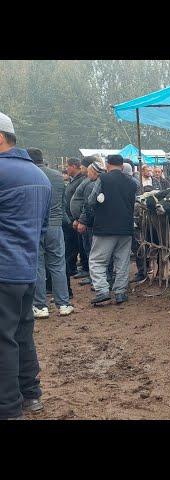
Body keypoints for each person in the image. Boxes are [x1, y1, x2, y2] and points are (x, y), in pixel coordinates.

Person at [0, 112, 51, 419]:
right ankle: (31, 395)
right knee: (22, 333)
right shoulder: (40, 176)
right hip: (26, 269)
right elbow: (41, 230)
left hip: (3, 270)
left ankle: (7, 407)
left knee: (3, 338)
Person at [27, 148, 73, 319]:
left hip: (34, 226)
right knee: (58, 264)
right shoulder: (57, 176)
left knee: (38, 266)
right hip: (55, 226)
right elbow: (63, 203)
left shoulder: (27, 175)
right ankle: (64, 304)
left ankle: (40, 306)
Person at [85, 155, 137, 305]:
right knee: (122, 261)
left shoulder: (103, 179)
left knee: (97, 260)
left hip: (104, 227)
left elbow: (91, 200)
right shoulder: (132, 182)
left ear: (107, 165)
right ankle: (120, 292)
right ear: (122, 165)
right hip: (126, 227)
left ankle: (102, 291)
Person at [63, 158, 89, 284]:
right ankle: (75, 267)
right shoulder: (74, 180)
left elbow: (84, 201)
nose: (66, 169)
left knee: (82, 245)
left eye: (67, 166)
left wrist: (78, 218)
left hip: (78, 219)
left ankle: (86, 268)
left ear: (74, 166)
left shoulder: (82, 180)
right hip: (72, 218)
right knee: (74, 244)